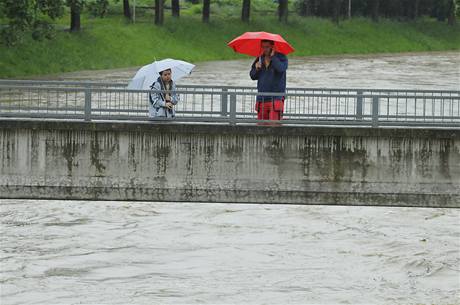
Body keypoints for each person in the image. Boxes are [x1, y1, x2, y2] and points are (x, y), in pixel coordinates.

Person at [249, 39, 288, 121]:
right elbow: (252, 76)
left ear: (272, 47)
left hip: (276, 99)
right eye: (263, 47)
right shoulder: (259, 58)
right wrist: (256, 68)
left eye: (267, 47)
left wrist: (273, 57)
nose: (265, 49)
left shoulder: (281, 57)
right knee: (261, 127)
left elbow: (281, 69)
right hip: (262, 99)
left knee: (274, 126)